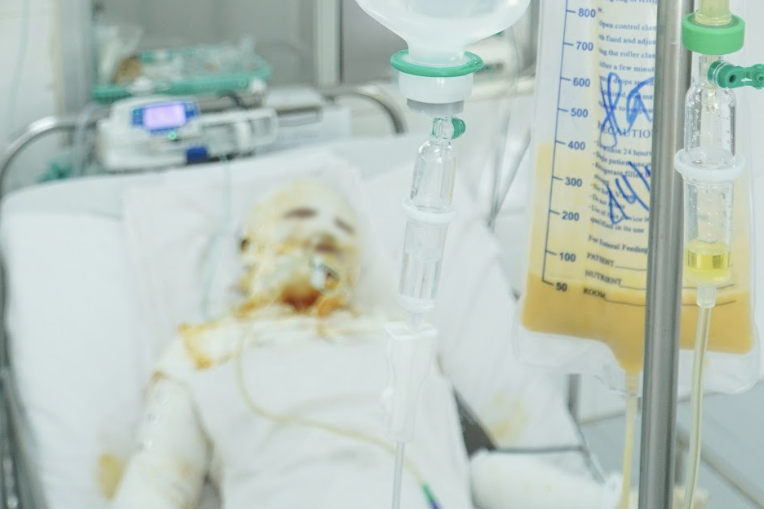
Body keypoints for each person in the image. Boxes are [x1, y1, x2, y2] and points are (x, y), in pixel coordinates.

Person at [111, 179, 705, 509]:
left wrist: (620, 502)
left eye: (342, 229)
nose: (324, 235)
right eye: (301, 217)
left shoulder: (395, 337)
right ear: (250, 248)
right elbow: (157, 484)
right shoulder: (204, 352)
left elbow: (475, 474)